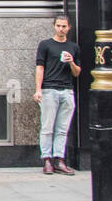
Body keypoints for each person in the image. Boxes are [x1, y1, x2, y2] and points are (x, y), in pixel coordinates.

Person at [34, 14, 82, 175]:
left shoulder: (73, 47)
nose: (61, 29)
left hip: (67, 91)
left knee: (62, 128)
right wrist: (38, 89)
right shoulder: (45, 45)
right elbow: (40, 67)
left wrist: (71, 61)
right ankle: (47, 159)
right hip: (49, 90)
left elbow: (77, 73)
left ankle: (59, 159)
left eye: (64, 26)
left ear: (69, 28)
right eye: (58, 26)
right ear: (54, 26)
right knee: (47, 127)